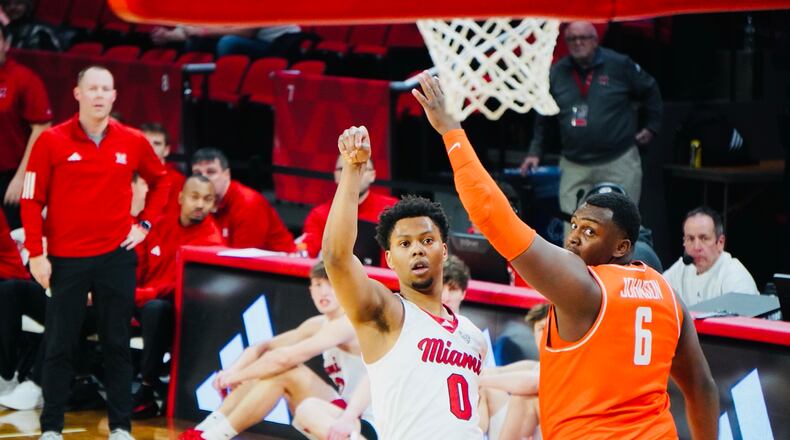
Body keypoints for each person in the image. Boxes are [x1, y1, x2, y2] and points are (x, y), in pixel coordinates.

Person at [413, 72, 718, 439]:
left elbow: (494, 218)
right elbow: (702, 388)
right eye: (575, 225)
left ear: (622, 247)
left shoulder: (584, 286)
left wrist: (452, 133)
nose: (574, 239)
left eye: (590, 232)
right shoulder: (668, 295)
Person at [20, 65, 170, 440]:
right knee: (59, 343)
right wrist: (37, 253)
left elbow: (162, 180)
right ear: (78, 94)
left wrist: (145, 224)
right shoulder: (51, 141)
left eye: (106, 89)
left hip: (115, 257)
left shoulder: (132, 140)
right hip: (66, 259)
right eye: (93, 88)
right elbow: (30, 197)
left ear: (114, 96)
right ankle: (51, 427)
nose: (100, 95)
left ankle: (120, 427)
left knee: (116, 342)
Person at [322, 125, 487, 439]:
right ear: (389, 259)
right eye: (405, 244)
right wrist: (353, 170)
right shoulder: (386, 313)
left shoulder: (474, 337)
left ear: (444, 250)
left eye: (426, 240)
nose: (417, 250)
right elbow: (336, 257)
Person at [180, 261, 374, 440]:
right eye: (318, 285)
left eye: (330, 284)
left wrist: (235, 377)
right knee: (269, 367)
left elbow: (283, 358)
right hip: (344, 409)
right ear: (310, 290)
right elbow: (262, 346)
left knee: (284, 370)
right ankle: (205, 430)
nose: (324, 292)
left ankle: (212, 436)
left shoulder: (348, 323)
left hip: (368, 419)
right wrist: (233, 370)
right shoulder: (317, 324)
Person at [519, 21, 663, 230]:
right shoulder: (557, 72)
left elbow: (650, 89)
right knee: (573, 229)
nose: (578, 43)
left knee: (622, 228)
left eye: (583, 37)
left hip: (618, 160)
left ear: (595, 40)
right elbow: (543, 116)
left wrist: (652, 127)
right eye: (572, 39)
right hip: (574, 163)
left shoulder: (619, 64)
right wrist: (535, 152)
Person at [131, 175, 224, 419]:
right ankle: (79, 380)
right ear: (181, 197)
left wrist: (139, 295)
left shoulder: (212, 241)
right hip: (140, 298)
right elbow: (136, 262)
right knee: (98, 301)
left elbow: (177, 286)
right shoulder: (158, 225)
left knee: (156, 309)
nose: (200, 205)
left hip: (180, 310)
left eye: (207, 199)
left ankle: (146, 390)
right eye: (195, 197)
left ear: (214, 204)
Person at [191, 148, 296, 252]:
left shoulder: (248, 203)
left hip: (279, 265)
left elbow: (242, 260)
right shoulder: (197, 205)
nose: (204, 179)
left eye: (211, 172)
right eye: (197, 174)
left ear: (227, 174)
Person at [0, 22, 52, 229]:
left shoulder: (23, 79)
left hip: (11, 176)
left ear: (6, 43)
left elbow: (42, 128)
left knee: (12, 244)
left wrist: (22, 178)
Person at [300, 155, 397, 259]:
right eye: (344, 170)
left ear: (373, 175)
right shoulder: (319, 215)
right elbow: (307, 256)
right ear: (336, 175)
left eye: (361, 168)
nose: (353, 175)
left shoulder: (392, 209)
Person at [663, 206, 759, 306]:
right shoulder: (680, 269)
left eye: (704, 238)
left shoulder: (735, 275)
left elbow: (741, 319)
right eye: (690, 239)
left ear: (720, 243)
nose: (696, 247)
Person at [140, 122, 185, 214]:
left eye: (157, 143)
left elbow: (172, 218)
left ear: (167, 150)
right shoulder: (128, 174)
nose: (150, 147)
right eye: (145, 142)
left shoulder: (178, 180)